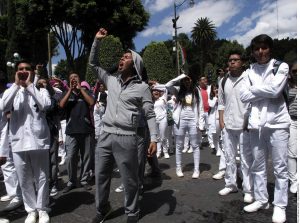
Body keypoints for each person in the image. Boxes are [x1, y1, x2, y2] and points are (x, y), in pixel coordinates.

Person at [88, 28, 157, 223]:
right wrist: (96, 41)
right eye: (121, 56)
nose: (121, 58)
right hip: (105, 136)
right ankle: (103, 209)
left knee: (129, 180)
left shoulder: (142, 88)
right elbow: (93, 64)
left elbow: (149, 113)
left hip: (128, 138)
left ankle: (132, 212)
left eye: (126, 57)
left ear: (134, 64)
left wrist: (155, 138)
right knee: (101, 177)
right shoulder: (111, 81)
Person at [240, 34, 290, 223]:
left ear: (270, 48)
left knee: (280, 167)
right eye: (257, 49)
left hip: (278, 123)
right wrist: (264, 89)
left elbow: (276, 91)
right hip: (255, 124)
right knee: (258, 165)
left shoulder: (281, 66)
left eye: (264, 47)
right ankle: (262, 199)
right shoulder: (249, 70)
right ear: (253, 51)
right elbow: (243, 96)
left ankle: (280, 205)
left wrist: (254, 89)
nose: (260, 52)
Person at [0, 60, 51, 223]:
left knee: (42, 177)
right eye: (20, 69)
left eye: (27, 69)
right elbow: (3, 107)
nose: (24, 72)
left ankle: (42, 209)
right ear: (16, 72)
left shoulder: (41, 91)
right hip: (18, 142)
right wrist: (16, 85)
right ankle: (31, 210)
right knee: (24, 179)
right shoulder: (11, 92)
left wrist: (29, 84)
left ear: (32, 72)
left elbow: (45, 105)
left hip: (39, 141)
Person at [217, 50, 254, 204]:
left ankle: (248, 189)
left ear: (242, 62)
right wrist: (221, 120)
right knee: (229, 157)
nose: (232, 62)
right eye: (230, 60)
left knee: (246, 159)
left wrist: (249, 121)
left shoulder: (249, 78)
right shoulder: (223, 80)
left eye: (236, 60)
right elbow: (221, 102)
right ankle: (230, 184)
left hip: (244, 125)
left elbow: (254, 101)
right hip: (228, 125)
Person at [155, 72, 205, 178]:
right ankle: (178, 168)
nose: (187, 82)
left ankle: (196, 169)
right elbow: (167, 85)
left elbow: (200, 107)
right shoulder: (178, 90)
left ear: (192, 80)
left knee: (195, 145)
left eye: (188, 79)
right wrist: (180, 76)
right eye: (185, 80)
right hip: (180, 121)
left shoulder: (196, 91)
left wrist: (201, 124)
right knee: (179, 146)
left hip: (193, 121)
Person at [59, 72, 95, 193]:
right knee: (70, 157)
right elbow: (61, 105)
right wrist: (70, 90)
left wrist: (81, 89)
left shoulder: (86, 92)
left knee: (86, 157)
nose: (73, 79)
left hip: (86, 130)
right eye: (71, 78)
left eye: (76, 77)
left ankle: (84, 180)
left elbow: (91, 103)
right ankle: (72, 181)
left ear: (80, 79)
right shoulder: (66, 93)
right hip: (71, 131)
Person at [208, 84, 225, 180]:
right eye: (214, 89)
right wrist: (215, 98)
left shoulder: (222, 96)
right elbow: (211, 105)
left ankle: (221, 149)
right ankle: (217, 148)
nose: (216, 90)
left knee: (222, 135)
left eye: (217, 88)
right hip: (213, 118)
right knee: (215, 135)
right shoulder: (212, 98)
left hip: (221, 118)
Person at [287, 61, 297, 194]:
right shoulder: (286, 86)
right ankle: (293, 180)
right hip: (292, 120)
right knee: (291, 153)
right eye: (294, 71)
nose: (296, 73)